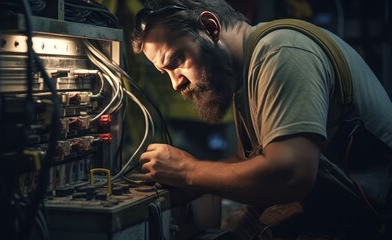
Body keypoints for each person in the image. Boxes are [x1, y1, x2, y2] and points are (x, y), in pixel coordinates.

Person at [131, 0, 392, 239]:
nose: (175, 83)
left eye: (177, 60)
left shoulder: (280, 54)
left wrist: (188, 172)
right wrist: (192, 188)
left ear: (210, 28)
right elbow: (250, 164)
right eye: (164, 72)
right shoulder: (243, 77)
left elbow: (292, 173)